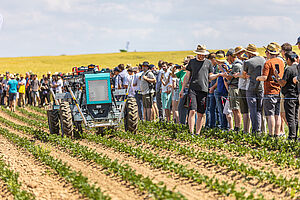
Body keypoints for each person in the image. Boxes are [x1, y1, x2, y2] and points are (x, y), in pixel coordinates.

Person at [179, 44, 217, 135]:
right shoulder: (192, 62)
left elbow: (210, 77)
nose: (201, 56)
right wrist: (182, 89)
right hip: (192, 89)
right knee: (192, 110)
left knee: (201, 113)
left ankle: (197, 133)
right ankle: (191, 132)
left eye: (203, 54)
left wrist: (219, 75)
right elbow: (187, 76)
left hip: (204, 90)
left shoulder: (208, 63)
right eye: (199, 54)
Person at [257, 43, 285, 137]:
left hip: (269, 91)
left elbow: (264, 77)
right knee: (277, 115)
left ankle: (271, 134)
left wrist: (257, 78)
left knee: (270, 115)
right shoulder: (281, 62)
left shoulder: (268, 63)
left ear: (268, 52)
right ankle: (277, 134)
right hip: (278, 90)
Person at [243, 44, 265, 134]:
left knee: (252, 109)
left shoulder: (247, 62)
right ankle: (259, 130)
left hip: (251, 86)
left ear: (249, 52)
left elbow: (245, 74)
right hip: (261, 86)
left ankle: (254, 130)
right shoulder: (263, 60)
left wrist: (249, 75)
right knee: (259, 110)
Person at [278, 51, 299, 141]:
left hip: (289, 95)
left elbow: (283, 83)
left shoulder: (289, 69)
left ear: (289, 59)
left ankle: (291, 136)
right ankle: (295, 136)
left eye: (286, 59)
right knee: (295, 117)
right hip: (297, 95)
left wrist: (277, 77)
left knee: (290, 117)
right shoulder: (298, 67)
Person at [223, 48, 243, 131]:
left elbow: (230, 77)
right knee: (234, 109)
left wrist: (223, 72)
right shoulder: (235, 64)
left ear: (231, 56)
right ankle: (236, 127)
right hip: (233, 87)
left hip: (234, 87)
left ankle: (238, 127)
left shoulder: (236, 65)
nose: (227, 60)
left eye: (228, 57)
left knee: (236, 108)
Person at [232, 46, 251, 133]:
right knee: (244, 110)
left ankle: (246, 130)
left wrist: (237, 75)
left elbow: (245, 75)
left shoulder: (245, 61)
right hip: (243, 86)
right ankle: (246, 129)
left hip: (244, 87)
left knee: (245, 110)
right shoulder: (244, 61)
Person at [279, 43, 292, 135]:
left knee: (285, 113)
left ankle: (292, 133)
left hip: (287, 91)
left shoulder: (287, 63)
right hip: (291, 91)